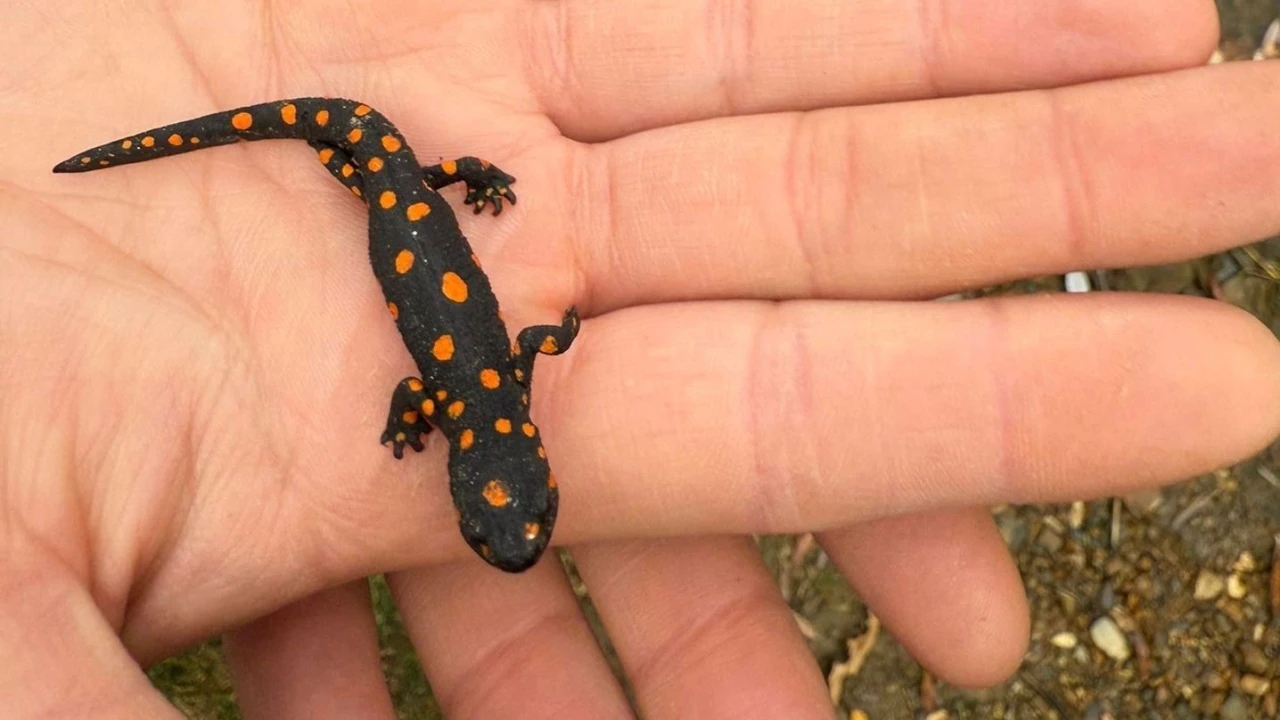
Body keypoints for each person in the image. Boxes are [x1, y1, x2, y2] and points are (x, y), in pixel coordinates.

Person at [3, 1, 1278, 717]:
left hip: (403, 187)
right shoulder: (480, 391)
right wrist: (424, 400)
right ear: (516, 464)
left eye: (494, 516)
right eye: (516, 516)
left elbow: (485, 359)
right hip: (393, 183)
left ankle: (401, 173)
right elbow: (512, 345)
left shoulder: (476, 393)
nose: (509, 527)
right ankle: (256, 154)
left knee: (390, 195)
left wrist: (459, 236)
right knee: (378, 187)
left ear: (484, 471)